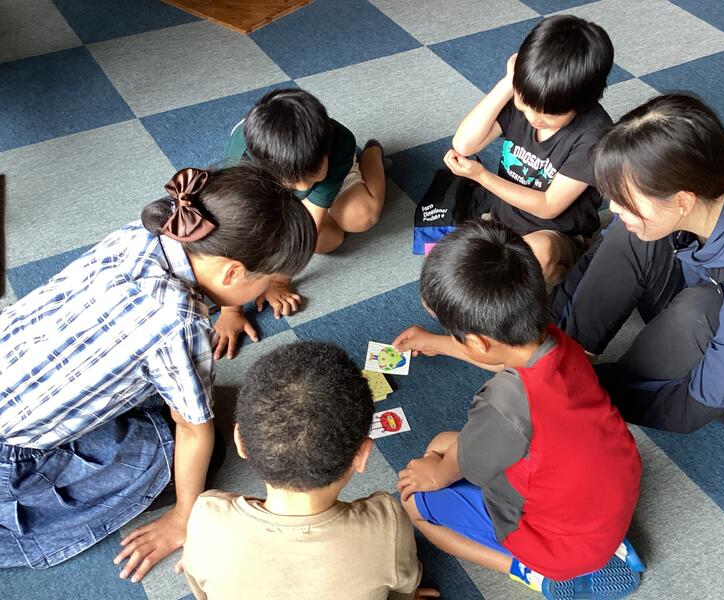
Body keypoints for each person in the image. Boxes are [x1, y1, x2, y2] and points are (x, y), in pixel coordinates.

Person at [0, 164, 316, 583]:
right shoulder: (179, 322)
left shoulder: (148, 231)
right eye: (268, 281)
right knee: (197, 450)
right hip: (12, 456)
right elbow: (192, 429)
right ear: (233, 272)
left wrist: (236, 300)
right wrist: (185, 515)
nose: (267, 290)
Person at [393, 222, 644, 600]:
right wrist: (441, 343)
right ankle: (603, 546)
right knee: (445, 442)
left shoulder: (504, 403)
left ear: (478, 342)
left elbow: (467, 466)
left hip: (559, 546)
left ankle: (528, 571)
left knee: (415, 501)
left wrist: (435, 474)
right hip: (608, 502)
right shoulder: (558, 341)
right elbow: (504, 355)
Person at [552, 93, 724, 434]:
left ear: (683, 200)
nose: (615, 207)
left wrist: (584, 397)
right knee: (631, 232)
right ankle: (560, 357)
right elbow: (606, 252)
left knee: (699, 310)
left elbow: (688, 411)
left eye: (624, 199)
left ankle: (572, 389)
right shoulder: (710, 182)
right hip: (720, 300)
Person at [180, 341, 437, 600]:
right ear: (362, 456)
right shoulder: (386, 524)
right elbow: (405, 588)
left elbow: (201, 590)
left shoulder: (206, 515)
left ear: (240, 441)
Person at [215, 88, 388, 358]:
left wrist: (279, 280)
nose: (304, 186)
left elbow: (310, 226)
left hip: (326, 172)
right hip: (268, 180)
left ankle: (372, 155)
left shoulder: (338, 141)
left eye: (312, 174)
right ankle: (303, 182)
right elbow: (232, 238)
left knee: (360, 218)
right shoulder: (241, 165)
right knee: (329, 240)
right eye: (295, 181)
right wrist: (230, 309)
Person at [445, 15, 613, 286]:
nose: (534, 118)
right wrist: (508, 83)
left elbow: (548, 207)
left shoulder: (594, 133)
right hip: (502, 221)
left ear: (582, 104)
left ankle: (564, 277)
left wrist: (482, 177)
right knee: (455, 269)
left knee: (537, 255)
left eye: (549, 115)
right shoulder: (527, 95)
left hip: (558, 234)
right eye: (525, 104)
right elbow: (465, 144)